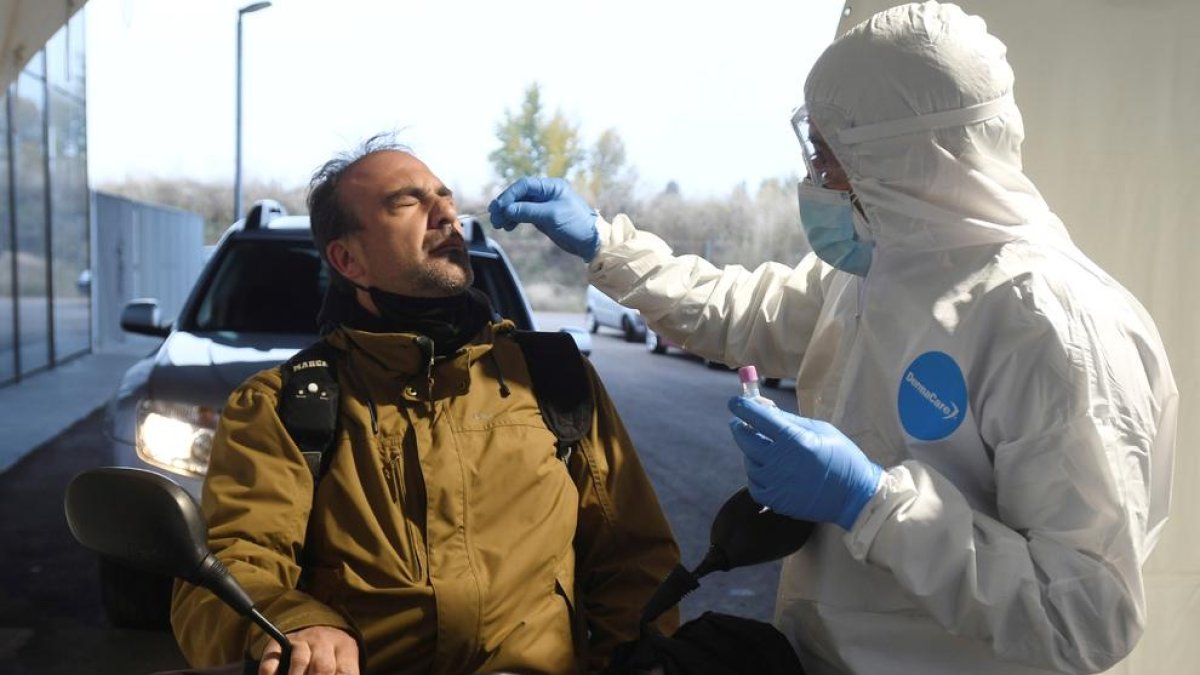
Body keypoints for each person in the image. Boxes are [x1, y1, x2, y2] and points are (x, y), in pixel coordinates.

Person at [488, 3, 1177, 673]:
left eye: (830, 154)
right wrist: (607, 245)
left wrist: (872, 501)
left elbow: (1086, 613)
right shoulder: (877, 265)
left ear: (912, 159)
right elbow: (740, 310)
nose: (814, 177)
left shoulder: (1053, 327)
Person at [170, 135, 681, 675]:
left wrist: (628, 661)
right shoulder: (281, 406)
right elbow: (229, 569)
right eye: (408, 202)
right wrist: (290, 618)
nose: (446, 214)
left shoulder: (552, 375)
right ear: (348, 259)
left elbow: (635, 560)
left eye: (446, 198)